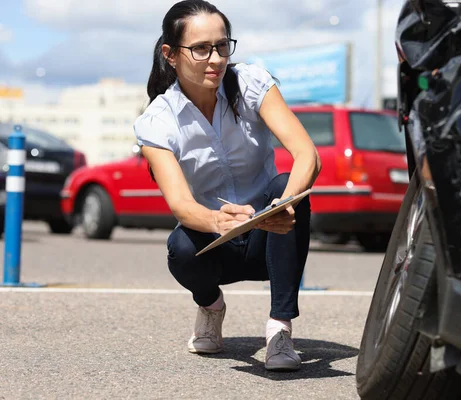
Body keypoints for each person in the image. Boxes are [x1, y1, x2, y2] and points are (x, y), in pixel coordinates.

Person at [133, 0, 321, 371]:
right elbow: (180, 204)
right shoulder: (156, 121)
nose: (216, 59)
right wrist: (219, 221)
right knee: (180, 247)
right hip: (215, 239)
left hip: (272, 233)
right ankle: (210, 306)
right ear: (170, 55)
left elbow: (307, 155)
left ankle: (280, 329)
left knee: (288, 186)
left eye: (222, 46)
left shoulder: (251, 83)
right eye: (201, 49)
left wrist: (282, 206)